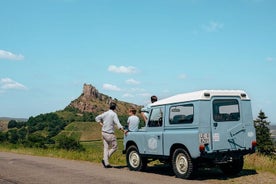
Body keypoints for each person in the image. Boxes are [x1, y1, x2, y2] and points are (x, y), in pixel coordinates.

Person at [95, 101, 126, 168]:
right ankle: (105, 159)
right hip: (110, 134)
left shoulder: (105, 113)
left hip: (103, 132)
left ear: (109, 107)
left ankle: (106, 163)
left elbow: (97, 118)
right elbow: (118, 124)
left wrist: (101, 124)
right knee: (115, 147)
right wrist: (124, 131)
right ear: (114, 108)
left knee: (106, 148)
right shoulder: (114, 114)